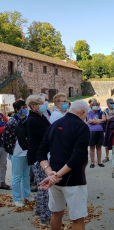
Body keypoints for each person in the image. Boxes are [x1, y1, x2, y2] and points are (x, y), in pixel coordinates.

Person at [37, 100, 90, 230]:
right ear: (82, 112)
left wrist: (50, 173)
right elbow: (76, 157)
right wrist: (54, 175)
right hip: (73, 179)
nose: (85, 117)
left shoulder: (54, 124)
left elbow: (41, 153)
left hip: (54, 179)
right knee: (77, 218)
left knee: (57, 212)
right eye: (86, 115)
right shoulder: (82, 126)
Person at [26, 95, 51, 227]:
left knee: (42, 186)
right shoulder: (33, 120)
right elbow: (48, 133)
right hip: (37, 157)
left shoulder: (40, 116)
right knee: (45, 187)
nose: (44, 104)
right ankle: (45, 217)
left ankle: (39, 211)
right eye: (41, 103)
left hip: (41, 154)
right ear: (33, 106)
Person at [4, 100, 33, 206]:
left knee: (26, 176)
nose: (25, 109)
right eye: (22, 107)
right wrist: (10, 152)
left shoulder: (27, 120)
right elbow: (6, 138)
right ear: (17, 109)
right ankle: (17, 198)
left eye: (26, 107)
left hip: (26, 152)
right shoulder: (12, 122)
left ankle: (26, 195)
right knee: (16, 176)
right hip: (16, 153)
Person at [87, 99, 106, 168]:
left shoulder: (100, 112)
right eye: (94, 105)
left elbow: (104, 119)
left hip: (100, 132)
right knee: (92, 148)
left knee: (99, 147)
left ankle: (99, 162)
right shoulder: (89, 113)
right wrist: (99, 121)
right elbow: (90, 121)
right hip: (92, 132)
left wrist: (96, 121)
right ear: (91, 106)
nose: (95, 106)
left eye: (96, 105)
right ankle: (92, 162)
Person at [102, 98, 114, 163]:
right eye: (111, 103)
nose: (112, 104)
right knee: (106, 143)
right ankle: (107, 157)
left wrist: (111, 117)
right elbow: (106, 118)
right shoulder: (105, 110)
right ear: (107, 104)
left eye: (113, 103)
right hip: (107, 128)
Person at [0, 111, 9, 190]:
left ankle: (2, 182)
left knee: (3, 165)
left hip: (2, 145)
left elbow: (8, 123)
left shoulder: (1, 115)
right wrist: (5, 127)